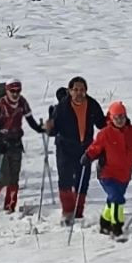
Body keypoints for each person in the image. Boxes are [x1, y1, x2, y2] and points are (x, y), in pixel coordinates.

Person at [85, 102, 132, 236]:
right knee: (117, 198)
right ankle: (116, 226)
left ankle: (104, 222)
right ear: (111, 118)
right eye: (116, 117)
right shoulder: (105, 134)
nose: (119, 120)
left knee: (113, 198)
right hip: (107, 173)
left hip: (124, 175)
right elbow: (95, 148)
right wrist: (88, 156)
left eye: (122, 117)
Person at [44, 76, 105, 222]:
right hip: (65, 148)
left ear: (86, 91)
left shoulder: (92, 104)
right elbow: (53, 131)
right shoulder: (62, 107)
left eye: (82, 90)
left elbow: (101, 123)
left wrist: (114, 118)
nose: (79, 93)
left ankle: (78, 213)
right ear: (70, 91)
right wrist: (49, 127)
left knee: (82, 180)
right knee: (65, 180)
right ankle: (67, 211)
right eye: (76, 90)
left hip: (85, 149)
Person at [0, 80, 43, 213]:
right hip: (1, 144)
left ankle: (10, 207)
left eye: (18, 91)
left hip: (16, 143)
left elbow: (30, 119)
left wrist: (40, 129)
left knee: (14, 178)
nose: (15, 94)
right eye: (13, 91)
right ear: (7, 90)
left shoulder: (22, 102)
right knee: (4, 176)